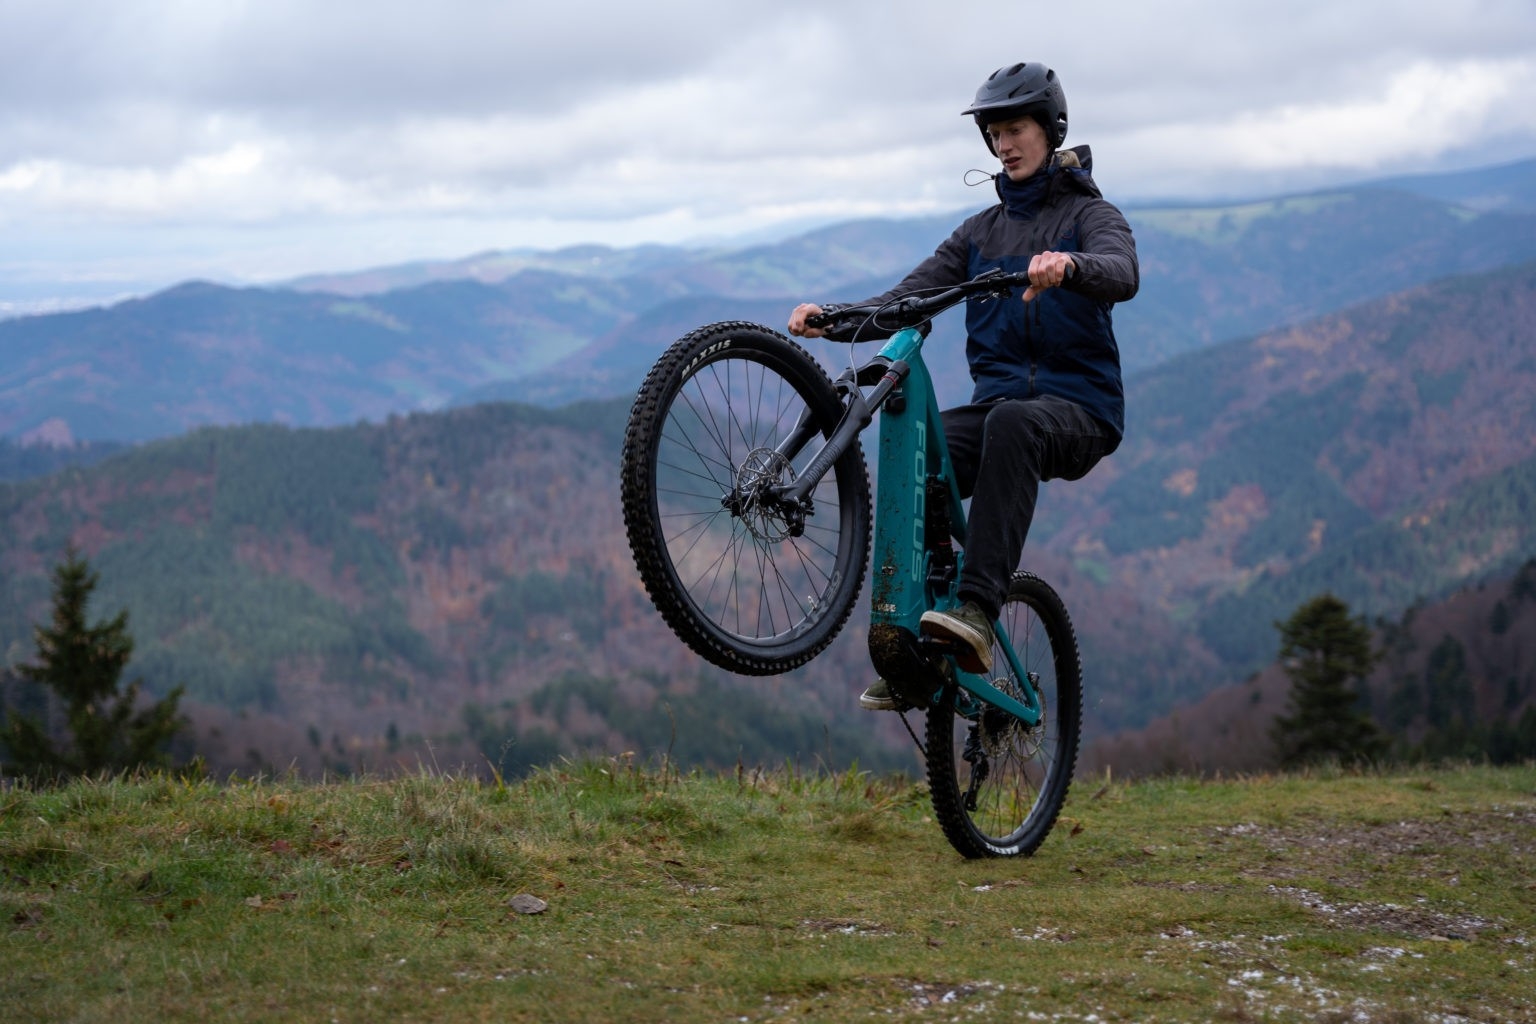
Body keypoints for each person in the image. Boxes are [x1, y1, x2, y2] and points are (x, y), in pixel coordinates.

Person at [787, 61, 1139, 710]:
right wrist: (833, 320)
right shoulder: (980, 234)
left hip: (1079, 410)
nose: (1004, 144)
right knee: (914, 446)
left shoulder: (1091, 215)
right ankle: (924, 644)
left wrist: (1071, 266)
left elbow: (1122, 270)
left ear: (1050, 129)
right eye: (995, 133)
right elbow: (906, 297)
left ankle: (977, 611)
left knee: (1013, 423)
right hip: (1002, 404)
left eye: (1017, 130)